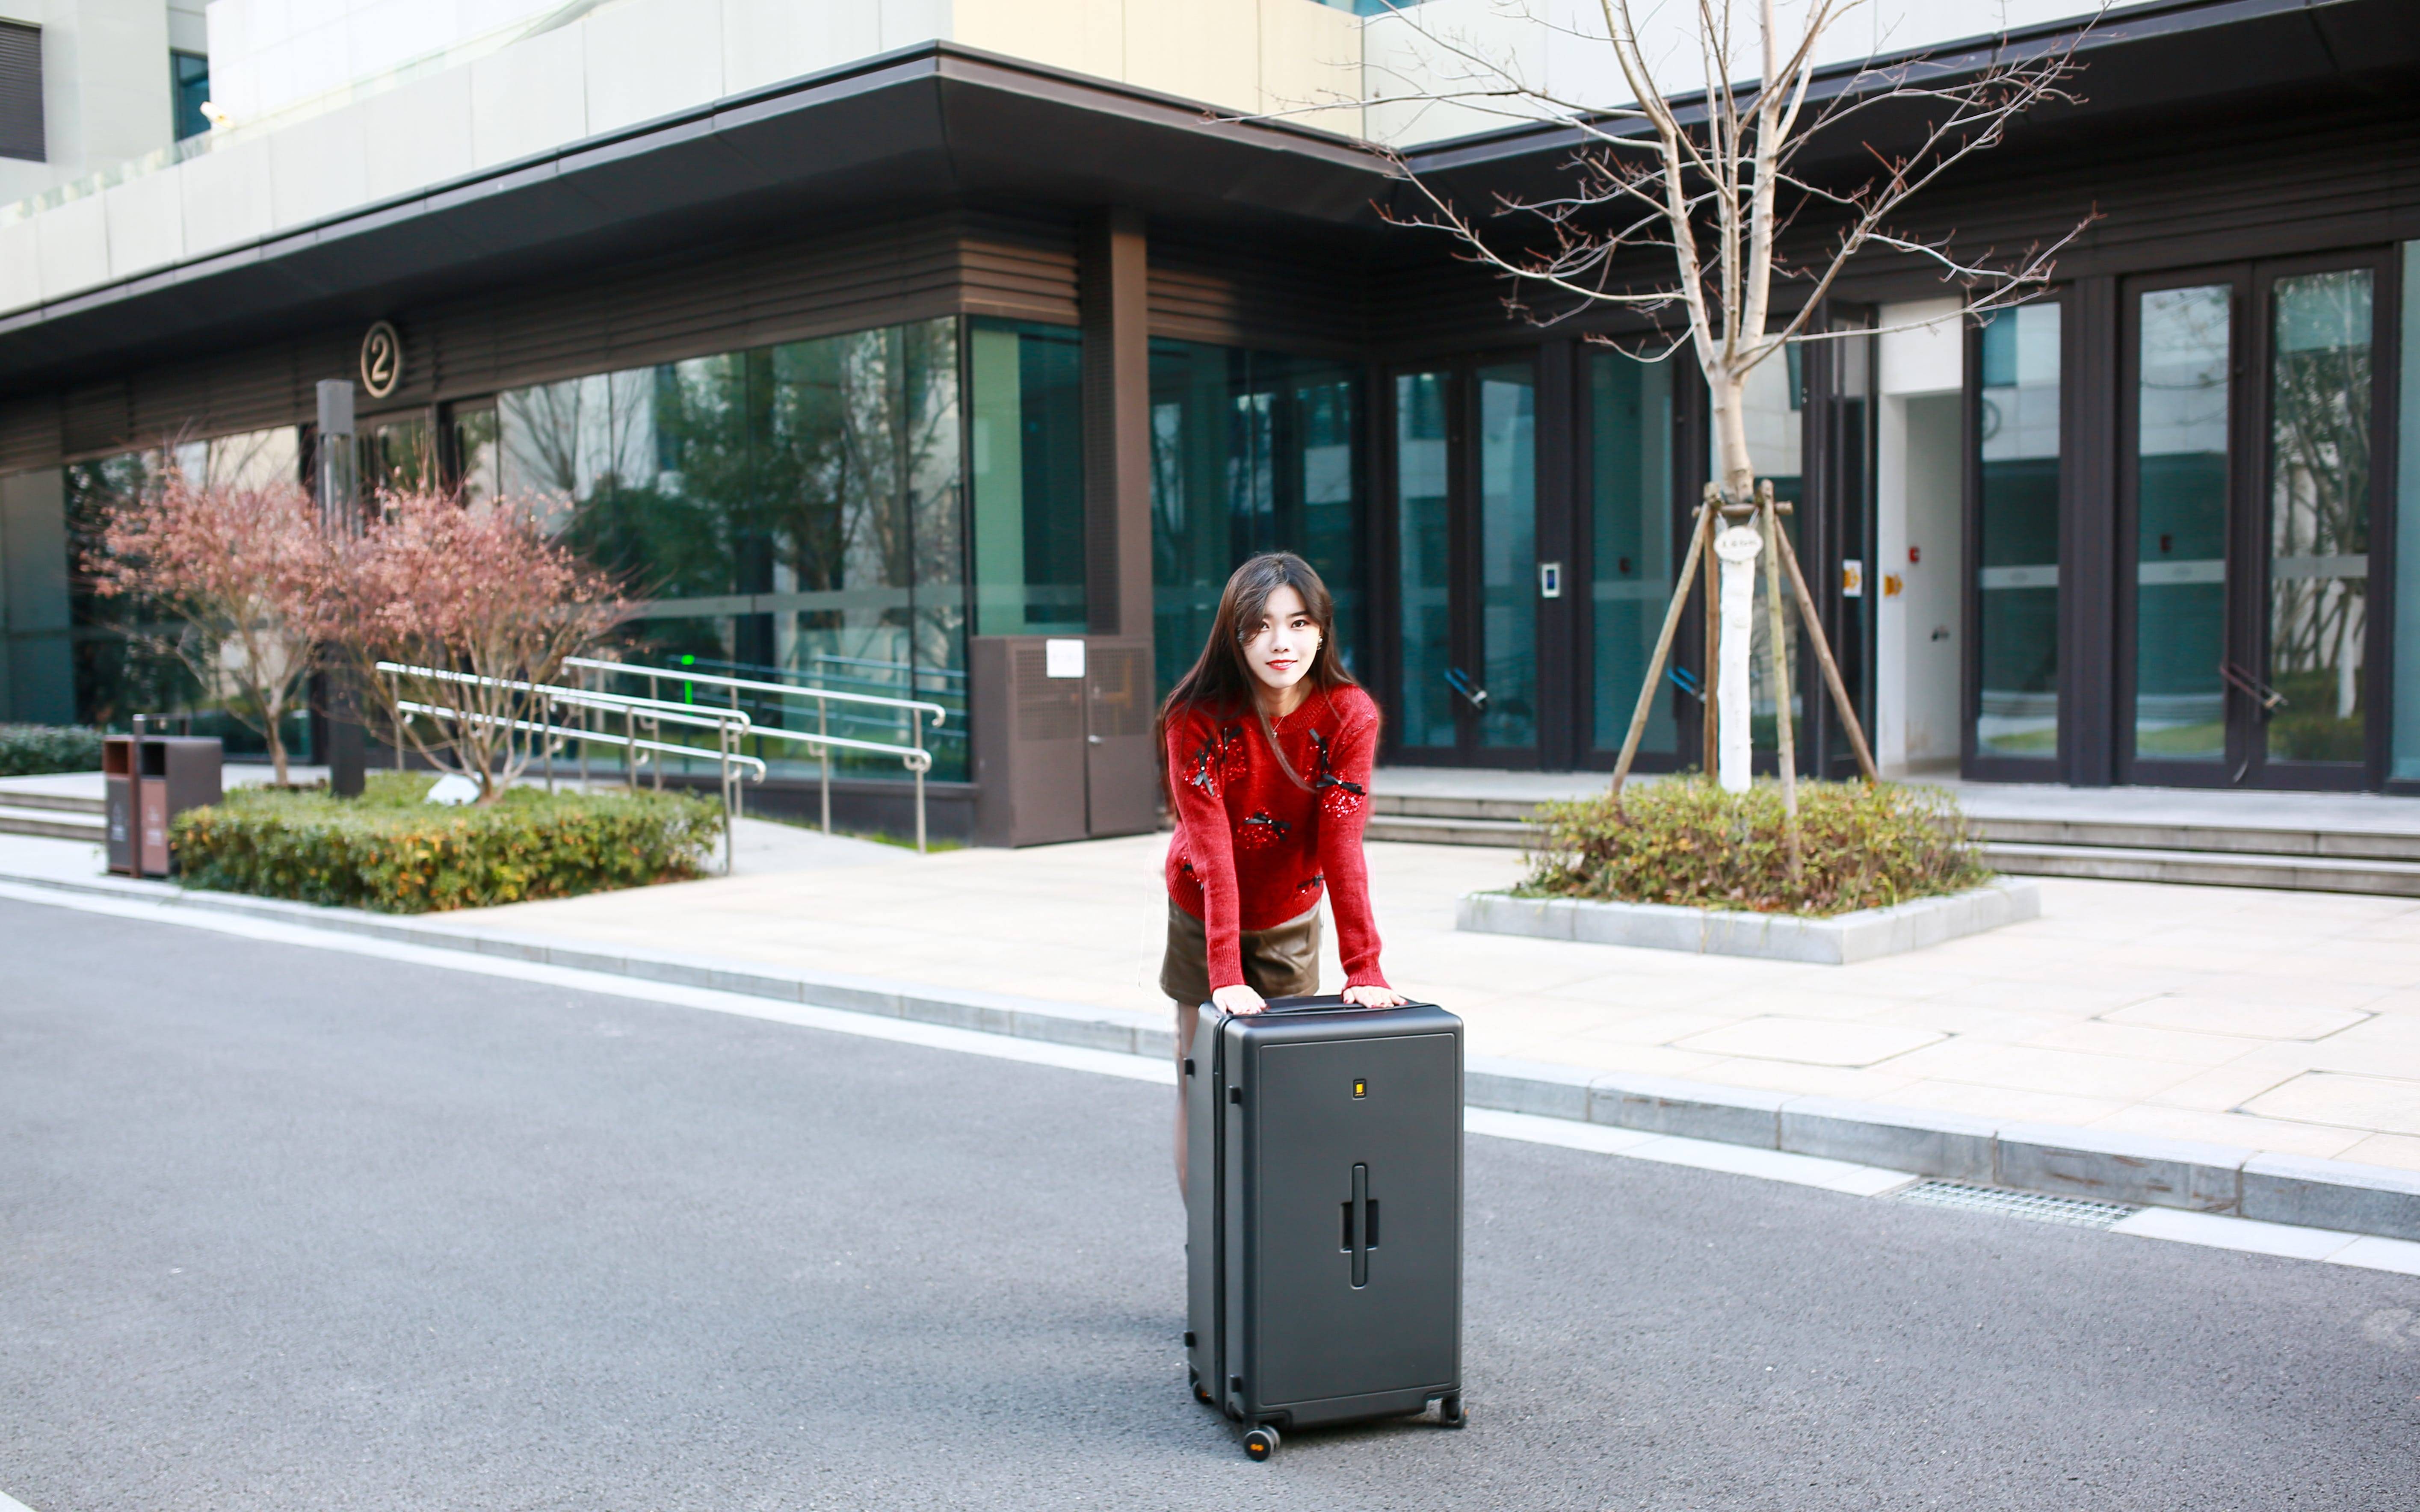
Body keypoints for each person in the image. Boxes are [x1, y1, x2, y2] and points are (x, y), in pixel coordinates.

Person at [1160, 552, 1406, 1188]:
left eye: (1297, 624)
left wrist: (1365, 967)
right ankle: (1210, 1255)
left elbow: (1342, 843)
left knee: (1287, 1082)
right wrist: (1224, 972)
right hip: (1200, 907)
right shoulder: (1195, 715)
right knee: (1200, 1075)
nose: (1279, 643)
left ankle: (1275, 1240)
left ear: (1322, 630)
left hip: (1290, 911)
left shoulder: (1349, 714)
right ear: (1234, 635)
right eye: (1259, 627)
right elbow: (1209, 845)